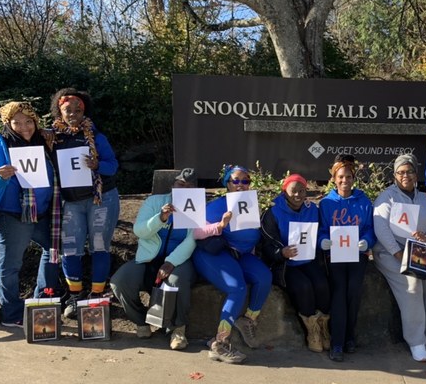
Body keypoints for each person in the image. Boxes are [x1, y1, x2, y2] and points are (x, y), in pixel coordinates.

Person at [0, 101, 61, 327]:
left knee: (53, 250)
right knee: (11, 264)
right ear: (7, 123)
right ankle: (12, 314)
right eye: (17, 123)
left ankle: (42, 300)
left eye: (29, 122)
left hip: (43, 213)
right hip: (11, 215)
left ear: (36, 121)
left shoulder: (43, 141)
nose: (24, 127)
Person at [49, 88, 120, 318]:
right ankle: (75, 295)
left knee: (99, 246)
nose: (73, 114)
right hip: (70, 201)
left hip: (101, 198)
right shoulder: (52, 137)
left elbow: (113, 166)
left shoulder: (96, 136)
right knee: (71, 249)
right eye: (67, 110)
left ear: (85, 110)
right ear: (59, 111)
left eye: (78, 110)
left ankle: (96, 296)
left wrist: (96, 165)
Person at [109, 168, 197, 350]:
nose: (183, 189)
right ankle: (141, 321)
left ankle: (178, 329)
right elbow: (139, 231)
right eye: (180, 184)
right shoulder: (154, 202)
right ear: (173, 185)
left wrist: (171, 262)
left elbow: (192, 240)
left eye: (189, 186)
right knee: (120, 282)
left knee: (176, 280)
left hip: (179, 260)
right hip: (148, 258)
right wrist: (161, 218)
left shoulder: (196, 206)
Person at [193, 165, 272, 365]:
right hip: (214, 253)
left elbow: (252, 237)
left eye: (245, 181)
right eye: (235, 180)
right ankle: (219, 343)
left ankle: (248, 320)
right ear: (227, 183)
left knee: (264, 277)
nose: (240, 185)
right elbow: (195, 232)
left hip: (241, 255)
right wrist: (220, 225)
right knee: (237, 288)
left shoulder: (252, 205)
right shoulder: (216, 206)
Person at [373, 154, 426, 362]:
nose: (405, 175)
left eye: (409, 171)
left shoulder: (424, 199)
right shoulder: (387, 197)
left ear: (416, 174)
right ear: (395, 175)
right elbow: (381, 227)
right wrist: (396, 252)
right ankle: (416, 341)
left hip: (418, 252)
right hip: (390, 252)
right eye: (401, 172)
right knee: (413, 286)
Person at [259, 174, 330, 353]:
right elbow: (266, 245)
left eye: (302, 191)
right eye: (293, 191)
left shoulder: (312, 209)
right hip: (284, 264)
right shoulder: (272, 212)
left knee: (322, 284)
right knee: (304, 286)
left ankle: (323, 327)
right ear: (284, 191)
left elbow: (321, 231)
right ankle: (311, 330)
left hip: (308, 259)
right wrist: (281, 253)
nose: (298, 195)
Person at [317, 154, 376, 362]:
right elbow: (321, 230)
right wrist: (323, 241)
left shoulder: (364, 201)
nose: (345, 181)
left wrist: (367, 241)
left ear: (353, 179)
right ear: (334, 178)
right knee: (339, 294)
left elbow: (369, 228)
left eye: (348, 177)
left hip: (357, 255)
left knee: (354, 294)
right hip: (335, 256)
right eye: (340, 177)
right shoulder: (326, 204)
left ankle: (350, 336)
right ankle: (337, 343)